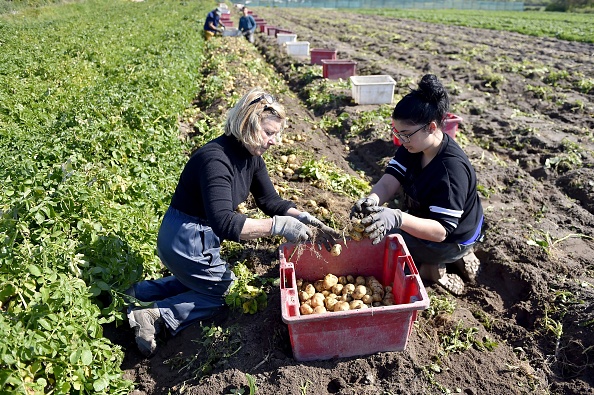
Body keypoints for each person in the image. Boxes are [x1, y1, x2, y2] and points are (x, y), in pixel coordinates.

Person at [127, 87, 340, 357]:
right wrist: (279, 227)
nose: (274, 141)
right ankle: (157, 316)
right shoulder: (215, 159)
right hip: (184, 238)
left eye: (277, 133)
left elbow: (269, 201)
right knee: (225, 294)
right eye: (269, 133)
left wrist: (303, 217)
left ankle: (140, 291)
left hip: (197, 237)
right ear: (248, 125)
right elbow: (224, 223)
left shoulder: (251, 157)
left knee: (202, 282)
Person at [351, 74, 484, 296]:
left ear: (431, 127)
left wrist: (398, 218)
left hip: (450, 239)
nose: (401, 141)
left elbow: (441, 230)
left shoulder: (450, 171)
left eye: (405, 134)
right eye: (397, 133)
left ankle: (436, 268)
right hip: (430, 219)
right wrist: (372, 199)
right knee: (377, 223)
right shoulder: (415, 146)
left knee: (385, 235)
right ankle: (440, 258)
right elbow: (391, 178)